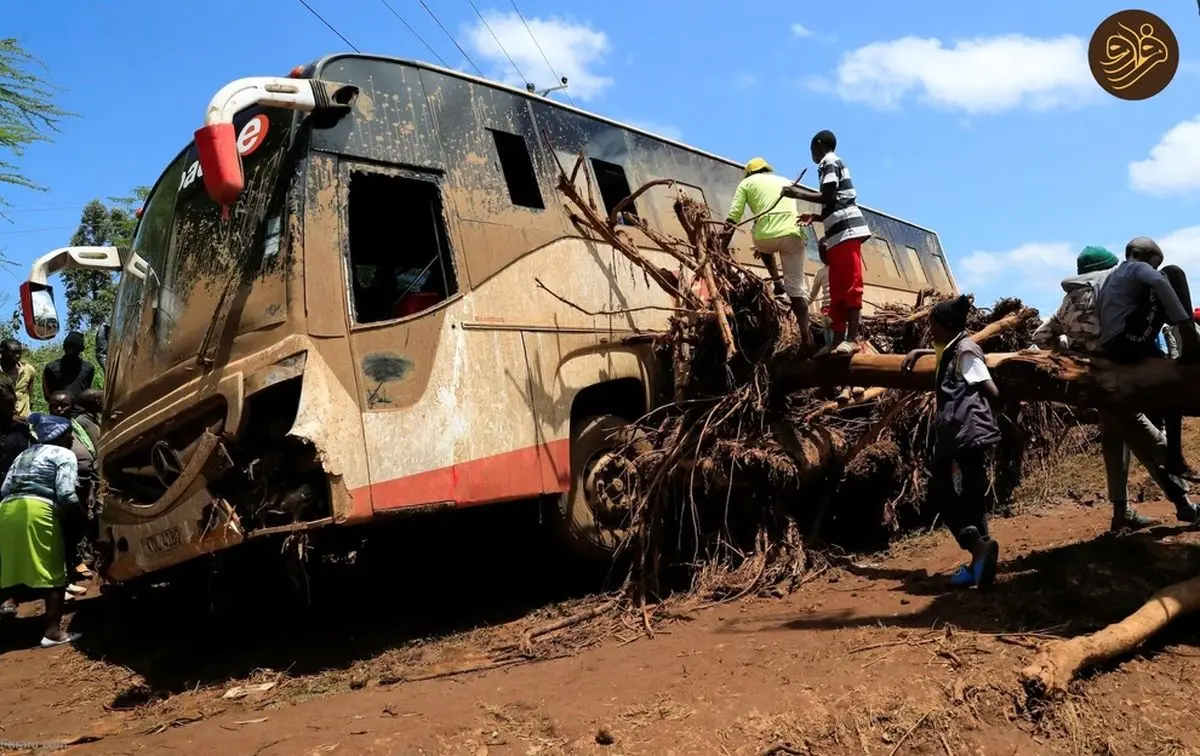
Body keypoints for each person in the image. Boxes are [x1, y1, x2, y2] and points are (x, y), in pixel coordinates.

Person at [1094, 237, 1200, 529]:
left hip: (1121, 344)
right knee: (1175, 274)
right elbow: (1162, 283)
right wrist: (1184, 324)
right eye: (1156, 262)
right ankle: (1191, 341)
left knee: (1172, 385)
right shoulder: (1134, 268)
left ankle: (1175, 453)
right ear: (1144, 257)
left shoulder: (1112, 279)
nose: (1156, 268)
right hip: (1127, 342)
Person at [901, 296, 1002, 590]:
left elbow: (991, 390)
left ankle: (975, 545)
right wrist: (918, 352)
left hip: (966, 434)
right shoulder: (953, 346)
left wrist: (982, 420)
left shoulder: (966, 352)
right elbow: (942, 352)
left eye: (933, 325)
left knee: (945, 494)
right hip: (957, 434)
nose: (930, 330)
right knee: (969, 498)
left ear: (946, 326)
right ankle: (979, 561)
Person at [782, 130, 872, 356]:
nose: (811, 153)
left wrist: (797, 194)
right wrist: (815, 217)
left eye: (812, 148)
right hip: (837, 235)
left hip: (847, 232)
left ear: (819, 144)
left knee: (850, 286)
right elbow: (834, 203)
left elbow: (830, 197)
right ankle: (835, 342)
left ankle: (851, 339)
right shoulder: (828, 165)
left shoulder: (829, 162)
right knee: (839, 289)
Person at [0, 412, 84, 647]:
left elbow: (5, 488)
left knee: (7, 571)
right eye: (70, 434)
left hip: (5, 512)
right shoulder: (64, 454)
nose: (72, 438)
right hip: (38, 510)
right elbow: (66, 494)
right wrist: (81, 520)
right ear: (61, 435)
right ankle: (52, 633)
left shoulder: (23, 454)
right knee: (53, 575)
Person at [725, 157, 812, 343]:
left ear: (749, 173)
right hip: (794, 235)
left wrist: (720, 246)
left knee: (761, 235)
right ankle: (806, 335)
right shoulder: (785, 181)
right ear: (766, 170)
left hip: (765, 238)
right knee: (797, 289)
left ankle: (776, 282)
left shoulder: (746, 183)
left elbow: (734, 216)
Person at [1031, 246, 1120, 352]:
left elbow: (1040, 337)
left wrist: (1064, 345)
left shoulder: (1069, 301)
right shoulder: (1115, 291)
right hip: (1117, 360)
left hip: (1077, 361)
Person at [0, 379, 32, 619]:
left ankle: (15, 591)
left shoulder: (23, 428)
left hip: (17, 493)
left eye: (12, 404)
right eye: (5, 405)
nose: (11, 409)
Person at [42, 331, 95, 408]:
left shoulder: (88, 368)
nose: (71, 352)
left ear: (80, 350)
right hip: (59, 413)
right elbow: (47, 393)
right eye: (69, 349)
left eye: (74, 350)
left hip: (81, 414)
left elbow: (88, 389)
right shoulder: (51, 368)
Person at [0, 340, 36, 418]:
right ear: (2, 352)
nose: (17, 356)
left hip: (23, 418)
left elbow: (30, 395)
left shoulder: (28, 370)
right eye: (14, 352)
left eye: (19, 352)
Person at [809, 258, 834, 348]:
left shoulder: (820, 272)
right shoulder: (842, 267)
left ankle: (829, 348)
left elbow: (812, 295)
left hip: (827, 309)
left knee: (829, 340)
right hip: (837, 308)